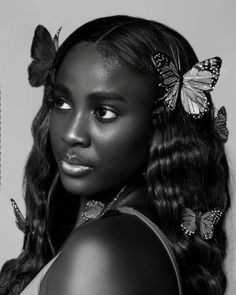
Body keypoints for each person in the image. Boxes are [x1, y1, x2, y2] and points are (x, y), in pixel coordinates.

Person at [0, 15, 230, 295]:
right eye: (61, 102)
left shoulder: (99, 251)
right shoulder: (137, 237)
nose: (71, 134)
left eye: (104, 112)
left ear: (159, 125)